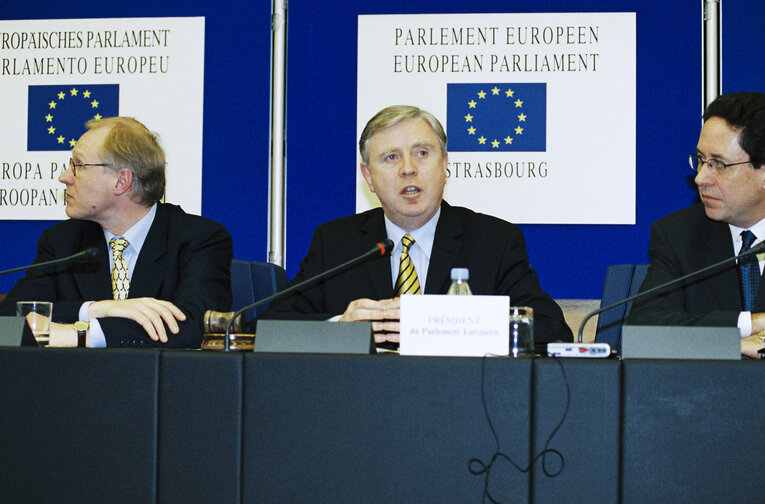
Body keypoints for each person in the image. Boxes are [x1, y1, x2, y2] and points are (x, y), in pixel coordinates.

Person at [264, 105, 572, 347]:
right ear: (368, 177)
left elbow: (551, 330)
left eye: (422, 153)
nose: (408, 169)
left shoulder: (494, 240)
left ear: (444, 164)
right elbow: (269, 327)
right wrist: (340, 330)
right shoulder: (335, 243)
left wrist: (453, 327)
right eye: (390, 158)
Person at [0, 117, 232, 348]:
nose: (64, 177)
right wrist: (99, 308)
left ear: (121, 180)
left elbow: (194, 326)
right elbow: (12, 318)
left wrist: (81, 335)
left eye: (78, 166)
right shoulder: (62, 241)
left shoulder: (199, 238)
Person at [627, 91, 765, 358]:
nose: (701, 177)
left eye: (719, 164)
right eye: (701, 160)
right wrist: (747, 327)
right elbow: (643, 328)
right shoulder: (679, 235)